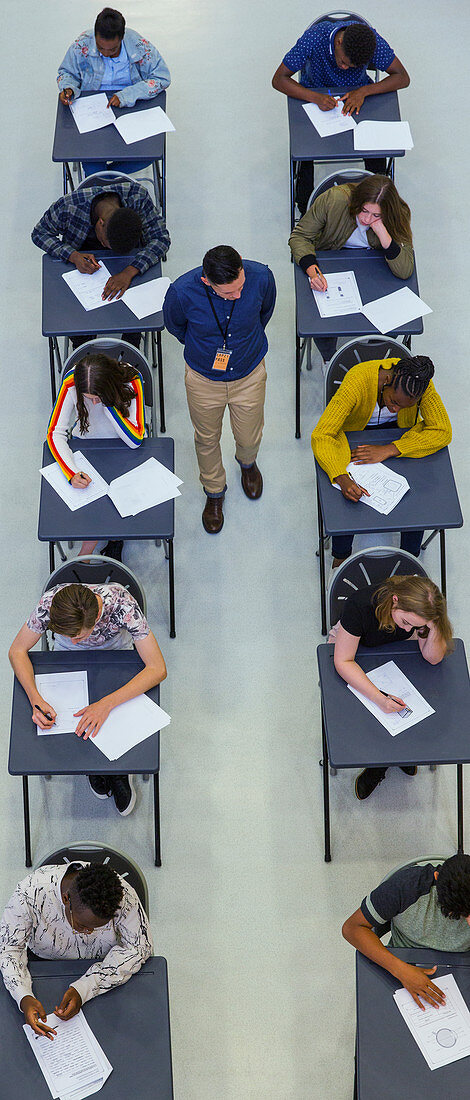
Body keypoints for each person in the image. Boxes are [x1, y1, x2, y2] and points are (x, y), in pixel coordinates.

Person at [9, 581, 167, 816]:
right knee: (73, 718)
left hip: (116, 656)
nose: (73, 640)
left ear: (96, 621)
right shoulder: (51, 603)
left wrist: (105, 704)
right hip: (68, 661)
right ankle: (93, 766)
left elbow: (157, 668)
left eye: (78, 635)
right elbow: (17, 651)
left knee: (111, 714)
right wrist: (35, 698)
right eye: (66, 634)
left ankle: (118, 771)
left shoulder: (122, 603)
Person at [163, 245, 276, 534]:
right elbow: (176, 327)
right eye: (228, 293)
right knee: (206, 438)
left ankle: (247, 462)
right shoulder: (181, 292)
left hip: (249, 373)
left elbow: (264, 312)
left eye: (240, 287)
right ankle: (214, 491)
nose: (237, 295)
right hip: (203, 380)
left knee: (250, 433)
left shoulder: (261, 277)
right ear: (206, 281)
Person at [311, 355, 452, 565]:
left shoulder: (421, 386)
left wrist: (391, 448)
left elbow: (442, 430)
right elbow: (322, 434)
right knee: (346, 500)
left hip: (397, 439)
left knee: (417, 499)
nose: (395, 410)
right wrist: (340, 477)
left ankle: (409, 559)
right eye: (394, 402)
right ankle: (340, 557)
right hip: (353, 438)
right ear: (387, 382)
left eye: (404, 407)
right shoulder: (357, 380)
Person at [0, 860, 152, 1039]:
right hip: (44, 965)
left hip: (102, 963)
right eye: (82, 925)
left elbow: (139, 947)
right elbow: (9, 948)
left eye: (98, 927)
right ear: (66, 899)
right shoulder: (29, 892)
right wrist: (23, 997)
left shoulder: (123, 897)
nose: (88, 933)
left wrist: (85, 987)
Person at [333, 574, 453, 799]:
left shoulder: (418, 615)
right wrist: (379, 698)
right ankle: (379, 764)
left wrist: (433, 622)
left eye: (417, 626)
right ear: (395, 600)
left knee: (413, 702)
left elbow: (433, 658)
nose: (410, 627)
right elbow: (343, 661)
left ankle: (398, 754)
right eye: (407, 623)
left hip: (395, 652)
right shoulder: (360, 606)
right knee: (364, 708)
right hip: (356, 650)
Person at [272, 20, 409, 214]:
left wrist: (364, 91)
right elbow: (279, 79)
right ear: (339, 42)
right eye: (343, 62)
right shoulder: (314, 38)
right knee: (305, 152)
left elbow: (402, 77)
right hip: (315, 94)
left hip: (356, 97)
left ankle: (378, 201)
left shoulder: (371, 41)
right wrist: (314, 97)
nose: (345, 68)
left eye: (352, 65)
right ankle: (305, 208)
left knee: (376, 148)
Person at [289, 175, 413, 366]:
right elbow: (300, 237)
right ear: (357, 202)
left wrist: (382, 232)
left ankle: (371, 361)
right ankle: (329, 361)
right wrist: (312, 271)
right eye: (364, 211)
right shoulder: (333, 200)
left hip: (372, 273)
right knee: (320, 322)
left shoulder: (399, 214)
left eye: (376, 215)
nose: (366, 219)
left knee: (394, 321)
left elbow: (405, 269)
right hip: (331, 263)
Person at [47, 351, 146, 560]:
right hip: (87, 445)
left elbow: (135, 439)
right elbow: (54, 433)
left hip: (122, 446)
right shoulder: (72, 382)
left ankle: (112, 542)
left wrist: (109, 406)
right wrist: (71, 472)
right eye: (88, 398)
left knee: (121, 495)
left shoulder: (132, 379)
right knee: (88, 493)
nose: (92, 404)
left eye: (96, 398)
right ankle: (90, 548)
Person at [342, 853, 470, 1009]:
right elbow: (352, 928)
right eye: (460, 914)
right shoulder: (406, 886)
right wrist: (400, 970)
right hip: (403, 962)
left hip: (462, 965)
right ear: (437, 878)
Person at [57, 7, 171, 176]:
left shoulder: (139, 46)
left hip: (132, 107)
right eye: (101, 48)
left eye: (113, 50)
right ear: (94, 36)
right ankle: (107, 181)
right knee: (92, 164)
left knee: (147, 154)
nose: (106, 54)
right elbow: (67, 73)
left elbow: (162, 77)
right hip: (93, 109)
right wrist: (69, 88)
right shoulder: (82, 44)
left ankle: (104, 179)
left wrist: (127, 95)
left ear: (122, 38)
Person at [32, 179, 169, 313]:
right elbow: (39, 233)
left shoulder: (138, 197)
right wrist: (73, 255)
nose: (107, 248)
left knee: (133, 323)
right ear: (101, 223)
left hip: (129, 262)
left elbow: (161, 238)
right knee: (78, 326)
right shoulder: (68, 206)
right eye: (105, 243)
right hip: (82, 269)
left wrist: (130, 271)